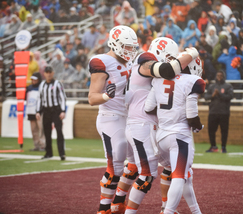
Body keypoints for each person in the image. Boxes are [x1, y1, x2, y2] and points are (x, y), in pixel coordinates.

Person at [118, 38, 199, 214]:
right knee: (147, 175)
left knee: (166, 166)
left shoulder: (144, 68)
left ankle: (120, 204)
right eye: (170, 56)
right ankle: (123, 210)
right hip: (143, 125)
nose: (172, 60)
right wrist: (192, 53)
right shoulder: (147, 62)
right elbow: (169, 70)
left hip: (139, 124)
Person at [144, 52, 205, 214]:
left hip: (161, 137)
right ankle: (168, 211)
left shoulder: (158, 79)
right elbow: (191, 115)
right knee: (179, 177)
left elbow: (148, 108)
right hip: (179, 136)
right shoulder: (193, 81)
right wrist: (198, 127)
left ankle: (196, 211)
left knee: (186, 176)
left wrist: (167, 112)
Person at [87, 25, 139, 214]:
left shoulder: (130, 62)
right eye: (126, 47)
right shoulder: (102, 61)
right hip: (111, 118)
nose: (130, 51)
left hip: (129, 118)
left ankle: (118, 202)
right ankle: (103, 210)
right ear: (115, 44)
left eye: (132, 47)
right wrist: (106, 96)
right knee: (116, 165)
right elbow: (92, 97)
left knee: (135, 165)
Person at [36, 66, 66, 161]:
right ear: (44, 74)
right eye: (47, 72)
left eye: (50, 72)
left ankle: (62, 153)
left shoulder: (57, 83)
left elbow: (62, 97)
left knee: (59, 132)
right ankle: (49, 153)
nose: (48, 74)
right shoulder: (42, 85)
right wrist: (38, 111)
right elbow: (39, 98)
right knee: (47, 133)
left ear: (53, 73)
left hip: (56, 111)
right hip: (46, 111)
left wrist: (63, 111)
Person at [204, 71, 234, 153]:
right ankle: (213, 146)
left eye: (221, 75)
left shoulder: (228, 86)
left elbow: (230, 96)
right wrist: (213, 95)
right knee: (211, 130)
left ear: (224, 76)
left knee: (224, 131)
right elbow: (206, 97)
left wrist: (219, 94)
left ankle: (223, 147)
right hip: (213, 112)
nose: (219, 77)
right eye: (218, 75)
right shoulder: (212, 86)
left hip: (224, 113)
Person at [26, 72, 45, 151]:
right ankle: (36, 145)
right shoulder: (29, 88)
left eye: (35, 79)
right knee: (33, 129)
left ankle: (43, 145)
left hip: (39, 111)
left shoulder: (42, 87)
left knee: (41, 129)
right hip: (31, 110)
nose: (33, 80)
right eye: (32, 79)